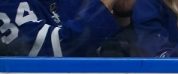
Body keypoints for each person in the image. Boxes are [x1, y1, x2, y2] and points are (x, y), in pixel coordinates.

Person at [0, 0, 132, 56]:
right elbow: (50, 52)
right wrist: (105, 5)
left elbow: (105, 47)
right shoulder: (5, 5)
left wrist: (121, 14)